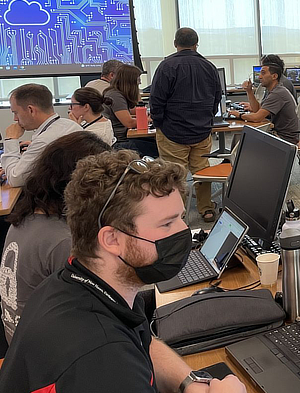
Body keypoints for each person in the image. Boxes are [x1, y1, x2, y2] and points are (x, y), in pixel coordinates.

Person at [0, 150, 246, 393]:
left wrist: (190, 382)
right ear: (112, 239)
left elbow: (143, 343)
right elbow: (116, 357)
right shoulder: (103, 359)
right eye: (167, 224)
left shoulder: (77, 283)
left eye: (182, 217)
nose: (183, 232)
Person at [0, 132, 110, 343]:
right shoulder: (63, 240)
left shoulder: (25, 219)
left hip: (21, 340)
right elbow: (97, 311)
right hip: (51, 352)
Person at [148, 27, 222, 223]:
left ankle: (177, 213)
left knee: (173, 174)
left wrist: (159, 123)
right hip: (202, 131)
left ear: (175, 43)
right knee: (202, 171)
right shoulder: (210, 67)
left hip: (172, 131)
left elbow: (156, 100)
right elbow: (216, 98)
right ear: (196, 44)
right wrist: (207, 119)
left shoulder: (166, 66)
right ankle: (206, 209)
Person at [0, 84, 82, 187]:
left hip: (53, 199)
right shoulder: (70, 125)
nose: (15, 119)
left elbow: (15, 179)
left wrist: (11, 139)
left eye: (16, 113)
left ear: (31, 110)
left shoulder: (45, 141)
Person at [229, 54, 299, 144]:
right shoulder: (274, 90)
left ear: (274, 76)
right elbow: (257, 110)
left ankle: (233, 158)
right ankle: (232, 158)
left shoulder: (278, 93)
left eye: (263, 73)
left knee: (240, 139)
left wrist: (239, 115)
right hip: (278, 135)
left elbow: (257, 117)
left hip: (284, 140)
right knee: (238, 137)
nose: (259, 77)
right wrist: (249, 91)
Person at [103, 63, 159, 158]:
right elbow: (129, 122)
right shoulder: (115, 96)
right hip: (119, 142)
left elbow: (134, 110)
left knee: (155, 142)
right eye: (138, 79)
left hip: (123, 138)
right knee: (157, 149)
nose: (140, 82)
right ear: (130, 81)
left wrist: (136, 94)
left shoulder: (118, 93)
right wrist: (149, 120)